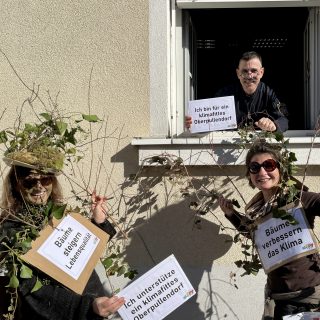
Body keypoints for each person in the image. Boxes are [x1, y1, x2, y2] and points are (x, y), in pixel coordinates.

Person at [0, 161, 125, 319]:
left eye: (45, 179)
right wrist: (87, 307)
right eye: (30, 181)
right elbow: (33, 291)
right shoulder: (11, 231)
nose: (39, 187)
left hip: (94, 305)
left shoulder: (57, 213)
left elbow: (80, 251)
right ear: (17, 185)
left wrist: (99, 223)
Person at [218, 140, 320, 319]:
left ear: (281, 169)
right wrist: (231, 214)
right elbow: (257, 235)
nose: (262, 172)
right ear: (249, 174)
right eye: (255, 167)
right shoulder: (257, 209)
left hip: (306, 300)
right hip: (276, 300)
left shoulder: (297, 200)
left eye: (269, 165)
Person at [186, 51, 288, 133]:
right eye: (244, 71)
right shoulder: (224, 94)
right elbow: (209, 123)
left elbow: (284, 120)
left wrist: (274, 125)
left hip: (260, 147)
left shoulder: (270, 93)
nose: (249, 76)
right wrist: (196, 123)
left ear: (261, 72)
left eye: (254, 70)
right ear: (238, 73)